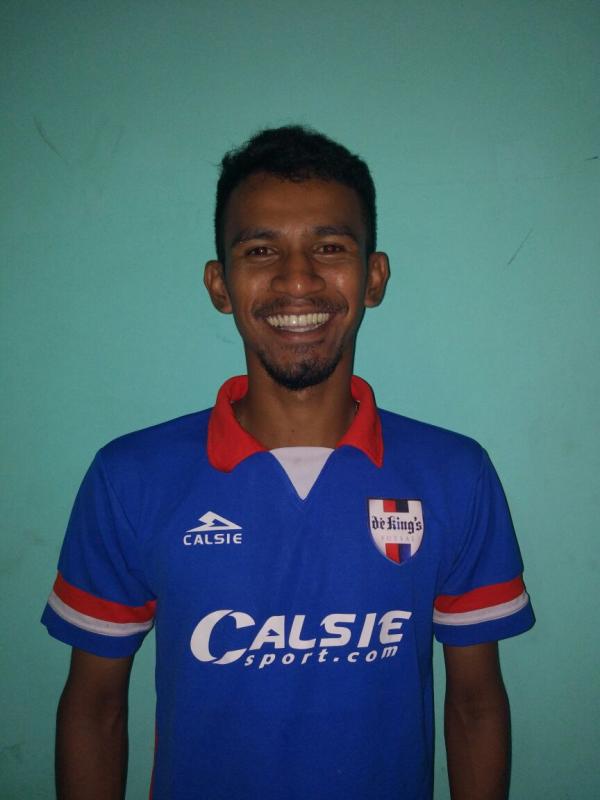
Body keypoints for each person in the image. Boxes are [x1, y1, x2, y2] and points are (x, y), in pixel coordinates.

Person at [42, 125, 534, 800]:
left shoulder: (454, 476)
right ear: (220, 284)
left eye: (329, 247)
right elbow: (94, 709)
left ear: (373, 277)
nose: (296, 278)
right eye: (260, 250)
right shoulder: (130, 479)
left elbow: (476, 706)